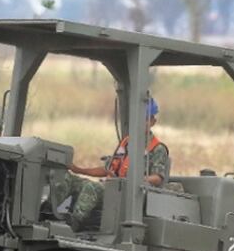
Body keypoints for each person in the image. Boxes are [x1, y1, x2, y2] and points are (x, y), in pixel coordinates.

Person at [52, 97, 169, 231]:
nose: (142, 123)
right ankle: (49, 212)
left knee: (92, 187)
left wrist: (136, 180)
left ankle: (73, 224)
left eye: (146, 119)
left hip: (129, 195)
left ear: (153, 122)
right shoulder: (126, 142)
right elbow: (109, 168)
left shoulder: (157, 148)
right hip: (111, 187)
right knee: (68, 179)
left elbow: (158, 178)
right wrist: (79, 170)